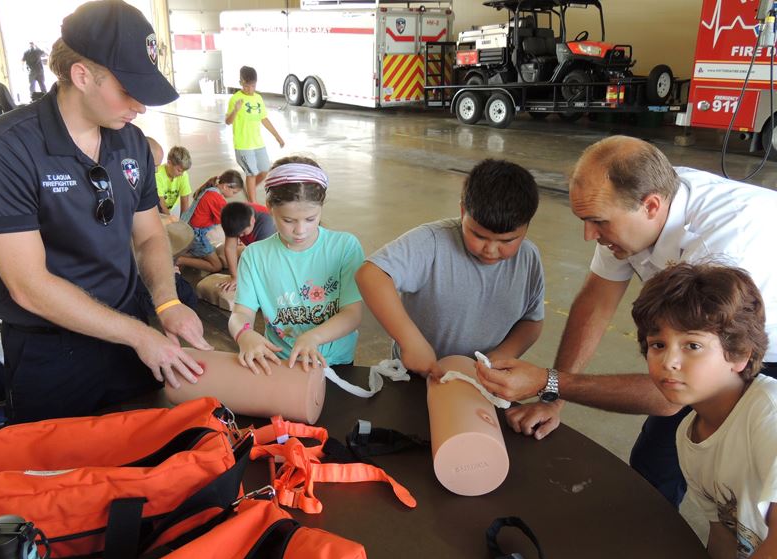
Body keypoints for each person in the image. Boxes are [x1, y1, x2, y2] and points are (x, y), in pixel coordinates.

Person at [475, 135, 777, 507]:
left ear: (651, 206)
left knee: (749, 494)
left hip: (764, 343)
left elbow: (668, 391)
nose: (589, 236)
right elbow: (596, 301)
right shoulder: (637, 210)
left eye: (598, 222)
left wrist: (548, 380)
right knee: (653, 468)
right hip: (717, 342)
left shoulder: (721, 249)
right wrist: (554, 396)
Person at [0, 0, 212, 424]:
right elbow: (28, 287)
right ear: (82, 75)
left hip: (130, 336)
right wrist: (141, 335)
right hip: (51, 352)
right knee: (60, 477)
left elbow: (150, 235)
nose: (140, 106)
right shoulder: (4, 149)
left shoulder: (132, 142)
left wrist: (166, 303)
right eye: (127, 90)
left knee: (143, 459)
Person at [631, 263, 777, 559]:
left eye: (692, 345)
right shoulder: (688, 435)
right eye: (657, 345)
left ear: (739, 354)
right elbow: (725, 536)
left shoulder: (767, 413)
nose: (669, 361)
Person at [355, 158, 544, 383]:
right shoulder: (432, 243)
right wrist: (411, 342)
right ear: (463, 210)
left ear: (527, 226)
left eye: (507, 240)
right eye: (479, 236)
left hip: (482, 380)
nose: (491, 250)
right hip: (416, 376)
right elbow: (371, 275)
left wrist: (502, 356)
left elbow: (532, 321)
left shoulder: (528, 259)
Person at [228, 156, 364, 374]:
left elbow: (352, 314)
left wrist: (314, 336)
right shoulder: (255, 256)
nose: (300, 230)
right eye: (288, 220)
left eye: (311, 219)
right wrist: (244, 334)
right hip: (281, 362)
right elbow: (240, 313)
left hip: (336, 361)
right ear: (269, 207)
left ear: (321, 207)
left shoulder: (344, 248)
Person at [225, 66, 284, 203]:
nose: (249, 89)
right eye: (246, 85)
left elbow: (264, 119)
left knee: (264, 171)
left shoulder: (258, 98)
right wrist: (235, 110)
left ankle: (249, 189)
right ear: (241, 82)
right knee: (251, 173)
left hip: (258, 143)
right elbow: (228, 121)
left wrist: (277, 136)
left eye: (252, 85)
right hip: (243, 145)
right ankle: (253, 204)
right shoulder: (235, 99)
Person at [177, 170, 243, 273]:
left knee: (206, 251)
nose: (233, 195)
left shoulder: (210, 189)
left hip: (188, 228)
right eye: (234, 192)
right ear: (225, 186)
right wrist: (237, 239)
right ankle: (178, 260)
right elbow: (227, 224)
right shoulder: (216, 198)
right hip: (196, 234)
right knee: (216, 266)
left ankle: (181, 253)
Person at [217, 201, 276, 292]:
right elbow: (230, 248)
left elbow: (263, 258)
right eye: (237, 234)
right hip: (255, 246)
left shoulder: (266, 224)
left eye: (243, 233)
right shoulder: (232, 217)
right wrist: (234, 277)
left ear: (252, 221)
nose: (240, 236)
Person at [156, 145, 192, 218]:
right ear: (169, 163)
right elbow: (161, 205)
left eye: (183, 171)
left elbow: (185, 203)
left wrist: (183, 223)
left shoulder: (183, 175)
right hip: (157, 208)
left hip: (172, 207)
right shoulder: (157, 175)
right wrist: (170, 222)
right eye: (179, 170)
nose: (181, 174)